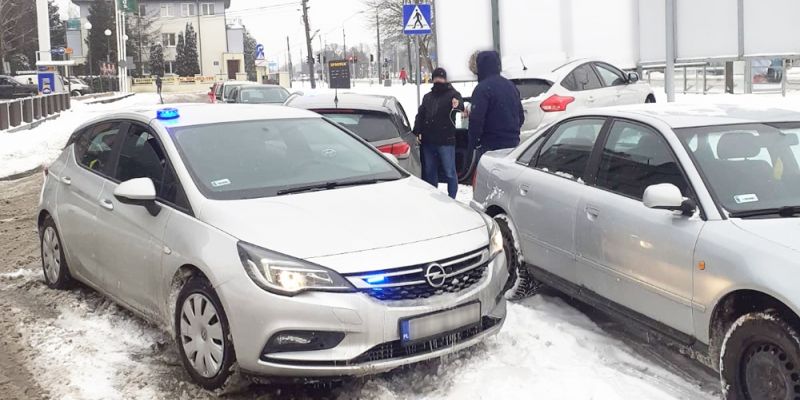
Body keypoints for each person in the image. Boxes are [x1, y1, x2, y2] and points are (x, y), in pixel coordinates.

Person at [413, 67, 464, 199]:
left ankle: (452, 198)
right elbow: (420, 115)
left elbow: (459, 104)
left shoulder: (453, 94)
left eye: (440, 78)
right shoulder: (427, 97)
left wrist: (457, 103)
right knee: (430, 172)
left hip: (446, 141)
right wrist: (417, 130)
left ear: (445, 79)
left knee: (450, 172)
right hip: (428, 142)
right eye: (436, 78)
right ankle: (432, 198)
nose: (438, 80)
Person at [467, 51, 524, 167]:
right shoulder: (511, 86)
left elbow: (476, 120)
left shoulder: (482, 89)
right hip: (512, 145)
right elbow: (521, 117)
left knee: (487, 182)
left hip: (490, 146)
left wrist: (473, 143)